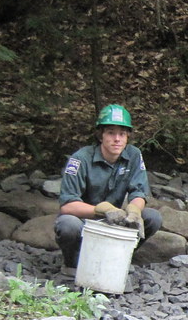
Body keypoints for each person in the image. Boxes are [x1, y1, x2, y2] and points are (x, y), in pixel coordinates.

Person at [55, 104, 163, 274]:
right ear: (101, 136)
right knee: (67, 224)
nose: (117, 139)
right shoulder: (80, 159)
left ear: (128, 136)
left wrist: (134, 210)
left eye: (122, 134)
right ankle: (72, 263)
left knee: (152, 217)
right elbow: (67, 205)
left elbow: (139, 191)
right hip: (85, 220)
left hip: (117, 219)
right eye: (111, 133)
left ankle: (120, 257)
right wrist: (103, 209)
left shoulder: (133, 155)